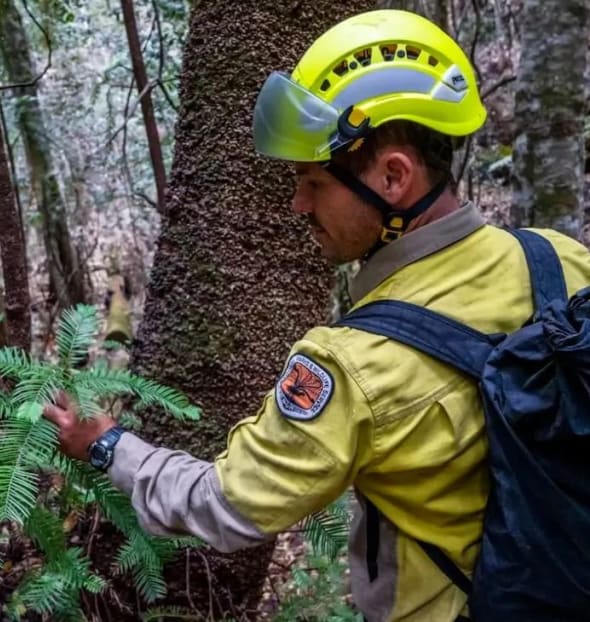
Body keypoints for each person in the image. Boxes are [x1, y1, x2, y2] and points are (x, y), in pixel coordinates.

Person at [44, 9, 590, 622]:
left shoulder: (351, 366)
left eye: (313, 183)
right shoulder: (561, 259)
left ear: (393, 176)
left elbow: (227, 505)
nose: (298, 204)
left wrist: (105, 445)